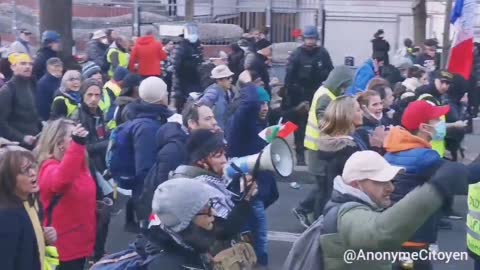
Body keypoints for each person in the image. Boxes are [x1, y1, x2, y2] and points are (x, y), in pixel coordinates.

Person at [287, 150, 467, 270]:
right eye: (380, 181)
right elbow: (380, 233)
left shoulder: (359, 207)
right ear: (356, 184)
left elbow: (370, 257)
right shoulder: (347, 215)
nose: (391, 187)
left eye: (390, 181)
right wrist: (438, 188)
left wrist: (409, 263)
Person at [383, 101, 449, 268]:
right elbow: (460, 176)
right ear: (424, 127)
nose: (441, 123)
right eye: (436, 119)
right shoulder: (427, 158)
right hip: (416, 235)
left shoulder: (392, 152)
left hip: (395, 231)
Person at [166, 130, 257, 251]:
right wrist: (246, 199)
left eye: (224, 154)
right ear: (201, 161)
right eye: (218, 156)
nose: (225, 160)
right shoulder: (198, 186)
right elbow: (223, 231)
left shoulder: (209, 179)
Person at [227, 82, 279, 267]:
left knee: (254, 234)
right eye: (261, 104)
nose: (265, 108)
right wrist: (249, 85)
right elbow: (248, 103)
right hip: (248, 190)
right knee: (258, 235)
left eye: (266, 103)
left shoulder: (255, 122)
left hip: (256, 188)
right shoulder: (241, 121)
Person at [294, 96, 365, 227]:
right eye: (358, 110)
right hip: (345, 213)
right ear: (347, 116)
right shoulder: (348, 149)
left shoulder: (343, 144)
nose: (362, 112)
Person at [36, 119, 96, 270]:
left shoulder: (80, 166)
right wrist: (77, 145)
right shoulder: (48, 168)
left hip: (81, 243)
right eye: (73, 136)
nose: (79, 139)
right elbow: (60, 182)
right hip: (63, 249)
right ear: (59, 143)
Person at [145, 178, 244, 269]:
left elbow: (224, 230)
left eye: (210, 204)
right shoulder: (165, 266)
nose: (213, 212)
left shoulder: (185, 240)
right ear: (185, 220)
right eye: (205, 208)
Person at [121, 77, 173, 227]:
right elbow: (145, 168)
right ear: (160, 97)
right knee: (152, 230)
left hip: (150, 191)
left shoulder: (151, 117)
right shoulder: (147, 128)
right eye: (165, 93)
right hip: (149, 195)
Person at [0, 150, 57, 270]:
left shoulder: (33, 201)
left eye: (32, 166)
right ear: (9, 180)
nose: (32, 173)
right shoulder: (6, 217)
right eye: (25, 171)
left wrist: (45, 238)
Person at [285, 25, 334, 163]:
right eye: (308, 39)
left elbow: (330, 71)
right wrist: (290, 96)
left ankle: (318, 151)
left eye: (312, 39)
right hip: (300, 94)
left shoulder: (322, 53)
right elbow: (289, 77)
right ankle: (300, 153)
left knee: (318, 123)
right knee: (298, 125)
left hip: (317, 93)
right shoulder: (297, 54)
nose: (310, 42)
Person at [0, 53, 40, 150]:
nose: (28, 66)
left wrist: (43, 124)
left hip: (35, 141)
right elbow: (1, 122)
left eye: (30, 64)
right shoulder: (7, 90)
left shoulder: (31, 85)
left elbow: (32, 113)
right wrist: (22, 137)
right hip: (17, 147)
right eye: (23, 63)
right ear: (13, 67)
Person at [172, 23, 203, 112]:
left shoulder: (197, 46)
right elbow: (176, 66)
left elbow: (200, 60)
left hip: (196, 79)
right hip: (184, 80)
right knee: (184, 103)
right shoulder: (182, 47)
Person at [197, 65, 234, 130]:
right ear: (219, 80)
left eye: (231, 77)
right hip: (214, 130)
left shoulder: (228, 92)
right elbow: (199, 106)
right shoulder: (213, 92)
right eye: (228, 78)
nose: (231, 80)